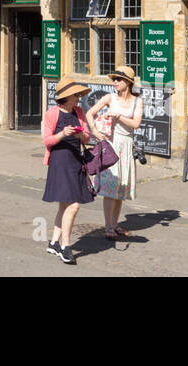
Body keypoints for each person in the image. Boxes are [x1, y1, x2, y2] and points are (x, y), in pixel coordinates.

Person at [42, 75, 95, 265]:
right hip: (59, 161)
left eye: (78, 95)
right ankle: (66, 246)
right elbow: (47, 140)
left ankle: (54, 243)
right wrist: (62, 134)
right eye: (75, 95)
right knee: (73, 205)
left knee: (65, 206)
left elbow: (87, 137)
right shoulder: (52, 113)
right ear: (66, 97)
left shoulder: (79, 111)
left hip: (76, 160)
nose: (78, 98)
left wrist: (81, 135)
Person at [87, 66, 143, 239]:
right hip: (111, 145)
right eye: (114, 79)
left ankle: (115, 224)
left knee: (120, 189)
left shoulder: (137, 101)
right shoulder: (109, 98)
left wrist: (119, 116)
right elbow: (90, 113)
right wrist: (95, 132)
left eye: (119, 79)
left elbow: (136, 124)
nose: (115, 82)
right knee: (110, 188)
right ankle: (108, 226)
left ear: (128, 82)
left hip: (126, 145)